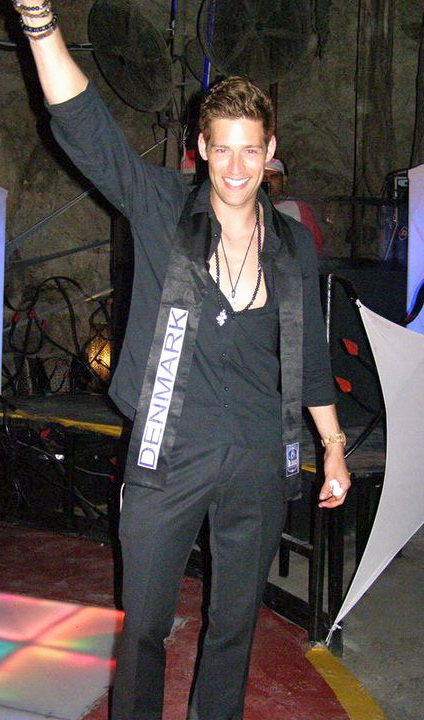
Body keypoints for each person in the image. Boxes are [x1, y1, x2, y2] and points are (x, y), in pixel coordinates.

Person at [11, 3, 351, 719]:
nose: (237, 167)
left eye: (250, 150)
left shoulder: (292, 244)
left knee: (234, 625)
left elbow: (309, 355)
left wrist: (332, 445)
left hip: (258, 454)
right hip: (168, 453)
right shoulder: (162, 207)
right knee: (143, 623)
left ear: (270, 150)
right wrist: (40, 22)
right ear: (201, 147)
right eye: (222, 149)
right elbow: (87, 126)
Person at [263, 157, 325, 253]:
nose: (268, 181)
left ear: (283, 180)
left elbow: (315, 242)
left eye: (273, 177)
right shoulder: (248, 206)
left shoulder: (299, 207)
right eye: (263, 177)